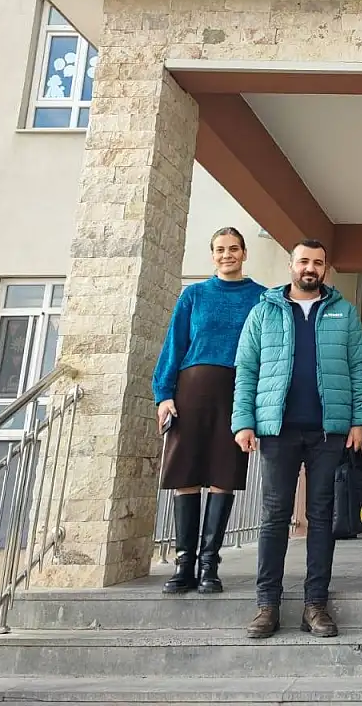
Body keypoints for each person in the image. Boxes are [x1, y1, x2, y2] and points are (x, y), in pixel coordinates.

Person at [232, 239, 362, 640]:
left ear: (325, 269)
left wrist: (359, 420)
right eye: (304, 261)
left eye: (318, 263)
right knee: (274, 516)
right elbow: (246, 368)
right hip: (278, 430)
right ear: (291, 265)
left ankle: (315, 605)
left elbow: (358, 367)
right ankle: (267, 605)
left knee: (321, 517)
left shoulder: (344, 312)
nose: (311, 268)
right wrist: (243, 422)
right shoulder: (264, 311)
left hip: (329, 430)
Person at [152, 227, 265, 596]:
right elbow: (175, 343)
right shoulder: (194, 295)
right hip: (191, 391)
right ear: (212, 254)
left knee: (223, 473)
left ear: (244, 253)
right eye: (219, 249)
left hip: (236, 392)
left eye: (233, 249)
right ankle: (183, 564)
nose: (226, 255)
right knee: (185, 472)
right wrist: (163, 394)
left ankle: (209, 566)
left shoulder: (261, 297)